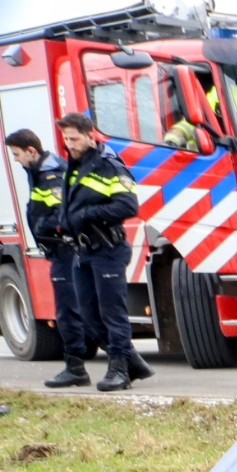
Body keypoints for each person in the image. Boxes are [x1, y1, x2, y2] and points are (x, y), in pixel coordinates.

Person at [56, 113, 144, 391]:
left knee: (112, 313)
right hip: (82, 250)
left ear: (90, 135)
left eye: (74, 138)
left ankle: (120, 370)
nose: (69, 144)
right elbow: (71, 203)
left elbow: (129, 206)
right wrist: (65, 221)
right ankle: (134, 363)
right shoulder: (75, 163)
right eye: (66, 138)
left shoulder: (108, 165)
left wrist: (85, 215)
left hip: (108, 249)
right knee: (89, 316)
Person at [9, 129, 93, 386]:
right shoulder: (40, 170)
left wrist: (44, 228)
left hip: (64, 250)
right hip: (59, 250)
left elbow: (60, 214)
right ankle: (118, 361)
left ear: (31, 151)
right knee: (76, 310)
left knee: (69, 312)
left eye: (17, 155)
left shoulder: (51, 173)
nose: (15, 160)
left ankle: (80, 367)